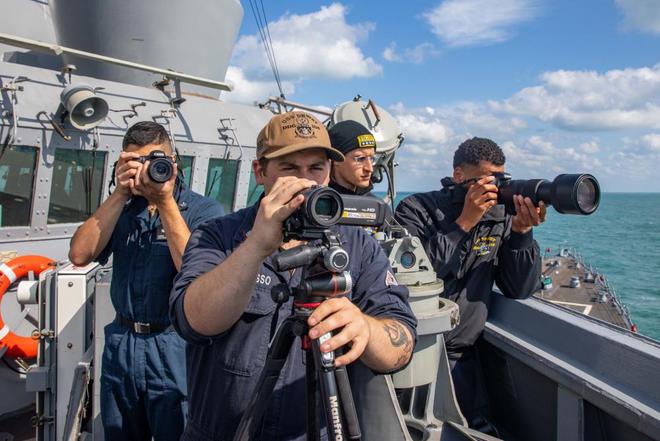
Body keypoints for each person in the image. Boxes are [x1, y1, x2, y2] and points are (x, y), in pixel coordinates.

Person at [169, 111, 417, 441]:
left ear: (329, 172)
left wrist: (366, 328)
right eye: (289, 168)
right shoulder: (218, 235)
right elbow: (193, 321)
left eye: (316, 168)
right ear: (260, 172)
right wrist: (256, 245)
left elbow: (401, 344)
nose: (306, 182)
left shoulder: (359, 245)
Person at [68, 121, 224, 441]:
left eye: (157, 160)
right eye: (137, 162)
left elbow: (196, 271)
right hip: (122, 342)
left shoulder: (203, 210)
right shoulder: (122, 209)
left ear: (174, 163)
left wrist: (165, 202)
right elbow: (80, 255)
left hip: (175, 345)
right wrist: (119, 193)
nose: (149, 170)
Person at [394, 137, 545, 426]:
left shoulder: (499, 217)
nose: (496, 189)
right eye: (489, 180)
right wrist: (464, 222)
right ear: (459, 176)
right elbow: (413, 279)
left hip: (462, 357)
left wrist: (522, 232)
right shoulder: (416, 209)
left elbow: (519, 288)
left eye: (502, 179)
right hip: (412, 350)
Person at [327, 120, 377, 196]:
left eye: (372, 158)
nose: (370, 169)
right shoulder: (316, 202)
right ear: (336, 159)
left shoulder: (376, 205)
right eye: (360, 159)